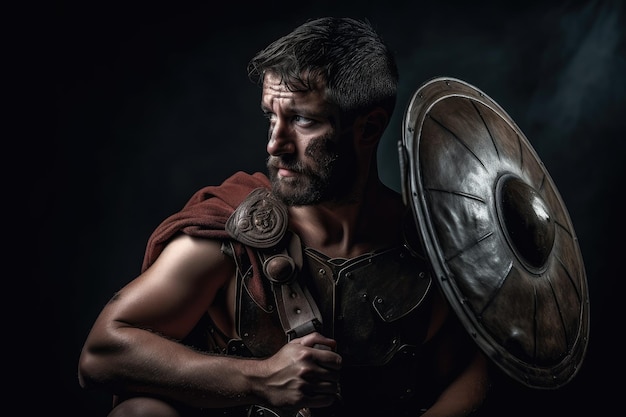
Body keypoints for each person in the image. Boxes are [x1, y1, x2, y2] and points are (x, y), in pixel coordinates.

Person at [78, 17, 490, 417]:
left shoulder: (432, 249)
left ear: (369, 128)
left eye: (302, 120)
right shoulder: (230, 235)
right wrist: (257, 379)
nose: (276, 144)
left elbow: (472, 372)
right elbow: (100, 355)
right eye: (271, 117)